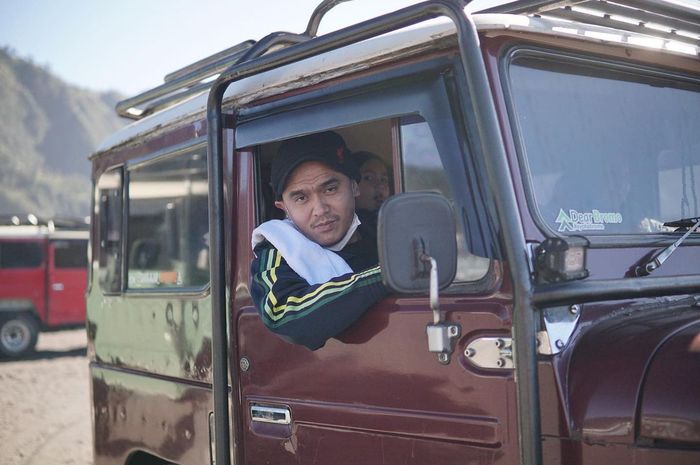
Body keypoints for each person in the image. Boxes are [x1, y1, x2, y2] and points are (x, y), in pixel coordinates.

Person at [250, 131, 388, 350]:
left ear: (354, 186)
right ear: (283, 208)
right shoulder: (278, 248)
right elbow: (282, 315)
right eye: (301, 198)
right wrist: (384, 276)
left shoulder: (385, 231)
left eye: (331, 189)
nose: (320, 210)